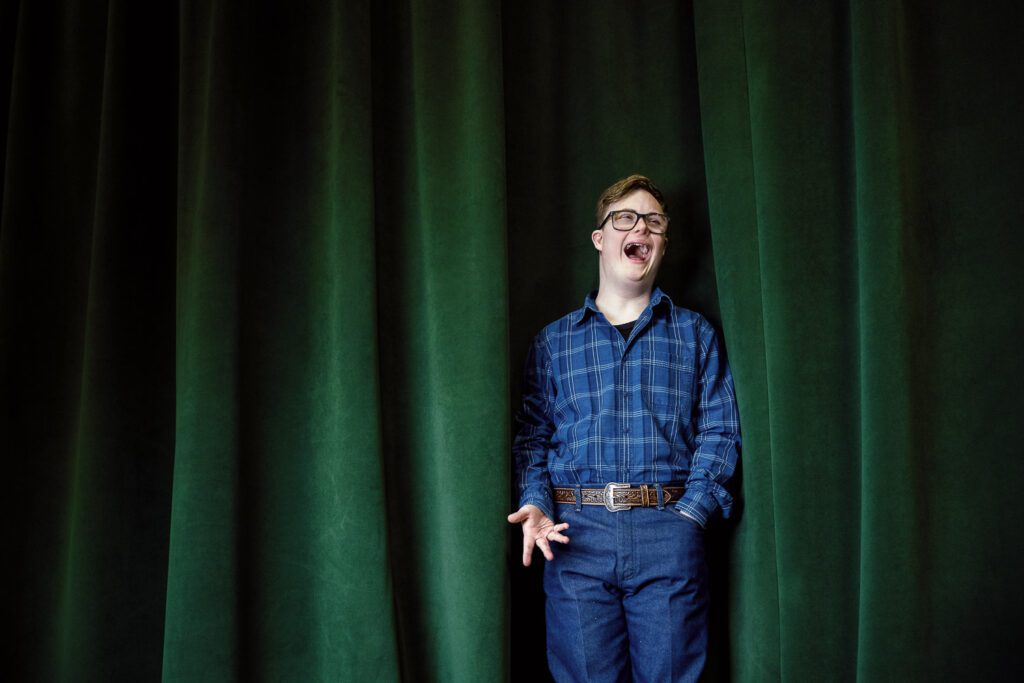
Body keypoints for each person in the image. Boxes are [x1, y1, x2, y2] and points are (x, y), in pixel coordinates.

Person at [508, 175, 741, 682]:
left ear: (662, 243)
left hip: (667, 531)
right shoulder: (554, 343)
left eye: (654, 221)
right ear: (601, 238)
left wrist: (690, 517)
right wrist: (538, 503)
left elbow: (720, 430)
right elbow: (532, 436)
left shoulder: (695, 334)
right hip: (575, 538)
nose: (641, 227)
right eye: (626, 218)